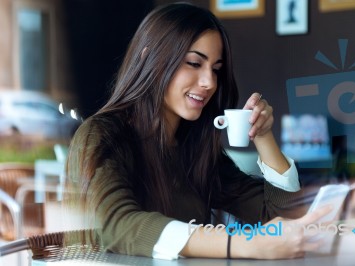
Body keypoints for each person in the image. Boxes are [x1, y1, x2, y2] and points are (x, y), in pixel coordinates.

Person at [64, 2, 331, 261]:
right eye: (193, 63)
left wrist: (263, 136)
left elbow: (282, 216)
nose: (209, 82)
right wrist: (249, 244)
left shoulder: (195, 149)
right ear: (148, 58)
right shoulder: (100, 135)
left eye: (216, 69)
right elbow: (118, 226)